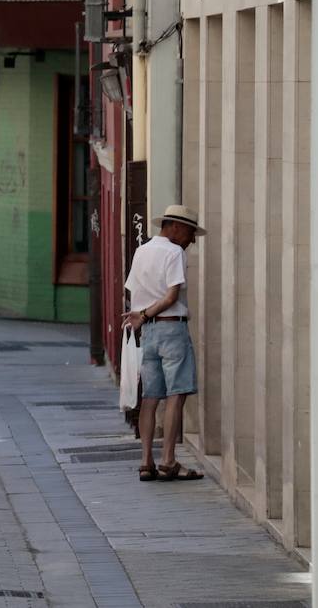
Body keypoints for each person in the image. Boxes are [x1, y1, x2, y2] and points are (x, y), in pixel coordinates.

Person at [123, 205, 207, 483]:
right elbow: (172, 296)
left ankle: (145, 461)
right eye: (191, 232)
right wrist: (147, 314)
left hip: (147, 333)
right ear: (175, 227)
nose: (192, 240)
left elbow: (134, 290)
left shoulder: (141, 251)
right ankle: (168, 461)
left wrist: (143, 316)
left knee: (150, 397)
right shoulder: (174, 252)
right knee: (175, 395)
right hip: (171, 329)